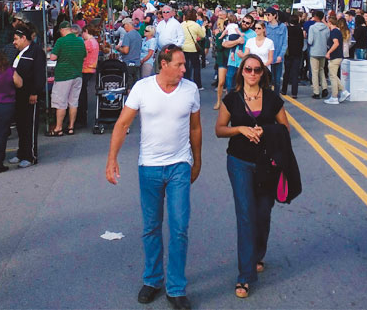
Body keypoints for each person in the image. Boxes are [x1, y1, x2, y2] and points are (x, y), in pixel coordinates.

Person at [105, 44, 201, 310]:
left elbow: (195, 128)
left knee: (179, 228)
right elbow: (123, 124)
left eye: (184, 64)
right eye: (179, 65)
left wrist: (197, 160)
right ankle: (153, 280)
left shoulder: (190, 90)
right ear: (164, 64)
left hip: (179, 165)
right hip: (149, 167)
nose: (184, 69)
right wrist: (112, 159)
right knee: (151, 227)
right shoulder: (142, 88)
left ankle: (176, 288)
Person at [214, 54, 292, 298]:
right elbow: (219, 130)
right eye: (248, 69)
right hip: (239, 162)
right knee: (246, 216)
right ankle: (245, 276)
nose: (253, 74)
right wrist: (240, 129)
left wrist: (265, 131)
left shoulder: (272, 99)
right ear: (242, 72)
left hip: (267, 164)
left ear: (262, 73)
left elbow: (285, 129)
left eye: (257, 70)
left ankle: (257, 254)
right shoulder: (232, 99)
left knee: (263, 213)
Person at [9, 26, 46, 168]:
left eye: (16, 39)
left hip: (30, 94)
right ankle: (21, 152)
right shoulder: (19, 52)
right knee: (21, 125)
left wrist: (35, 92)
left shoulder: (36, 52)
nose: (14, 42)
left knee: (30, 125)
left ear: (24, 38)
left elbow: (39, 74)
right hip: (18, 94)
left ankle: (31, 156)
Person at [48, 22, 87, 136]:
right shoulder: (80, 41)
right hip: (77, 74)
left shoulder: (61, 41)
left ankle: (58, 128)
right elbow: (84, 55)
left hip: (63, 75)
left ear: (62, 30)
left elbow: (53, 57)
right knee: (73, 102)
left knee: (60, 103)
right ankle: (71, 127)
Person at [323, 16, 350, 105]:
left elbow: (336, 43)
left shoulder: (334, 32)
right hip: (338, 56)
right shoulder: (338, 31)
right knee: (334, 75)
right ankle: (343, 91)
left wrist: (328, 52)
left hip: (334, 56)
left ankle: (334, 97)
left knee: (332, 77)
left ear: (330, 23)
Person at [76, 25, 97, 129]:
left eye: (83, 33)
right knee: (83, 92)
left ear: (86, 31)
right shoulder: (94, 42)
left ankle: (81, 117)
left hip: (85, 68)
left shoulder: (87, 43)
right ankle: (82, 116)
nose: (82, 35)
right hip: (91, 68)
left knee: (82, 94)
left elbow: (81, 55)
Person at [307, 11, 330, 99]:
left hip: (314, 51)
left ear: (316, 17)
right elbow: (328, 38)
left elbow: (310, 41)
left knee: (314, 72)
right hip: (323, 51)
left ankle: (316, 91)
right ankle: (324, 88)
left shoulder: (312, 28)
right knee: (321, 69)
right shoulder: (326, 27)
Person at [281, 14, 305, 98]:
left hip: (288, 53)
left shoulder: (287, 29)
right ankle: (294, 92)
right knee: (295, 73)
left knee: (286, 72)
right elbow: (302, 42)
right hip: (297, 53)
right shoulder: (299, 30)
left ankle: (284, 90)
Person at [264, 8, 288, 90]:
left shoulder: (282, 27)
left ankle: (276, 96)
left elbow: (285, 43)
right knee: (268, 80)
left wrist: (281, 55)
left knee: (277, 80)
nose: (267, 17)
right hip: (267, 57)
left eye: (269, 15)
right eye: (266, 15)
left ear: (274, 15)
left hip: (277, 57)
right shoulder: (265, 26)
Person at [118, 20, 144, 91]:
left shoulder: (127, 35)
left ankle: (130, 97)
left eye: (124, 26)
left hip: (128, 62)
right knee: (136, 85)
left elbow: (125, 51)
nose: (124, 28)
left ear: (127, 25)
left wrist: (118, 48)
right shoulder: (138, 35)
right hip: (137, 62)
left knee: (129, 85)